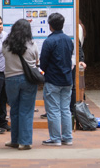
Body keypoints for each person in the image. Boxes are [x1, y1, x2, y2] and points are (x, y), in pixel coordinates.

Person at [2, 19, 39, 150]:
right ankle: (25, 142)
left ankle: (15, 140)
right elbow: (36, 60)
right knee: (26, 111)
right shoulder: (32, 44)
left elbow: (5, 58)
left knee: (14, 109)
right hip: (28, 80)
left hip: (11, 80)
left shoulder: (6, 45)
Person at [40, 13, 74, 146]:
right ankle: (67, 137)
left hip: (53, 79)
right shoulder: (68, 40)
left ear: (50, 25)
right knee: (65, 109)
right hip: (67, 79)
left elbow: (43, 63)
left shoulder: (49, 41)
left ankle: (55, 138)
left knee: (53, 110)